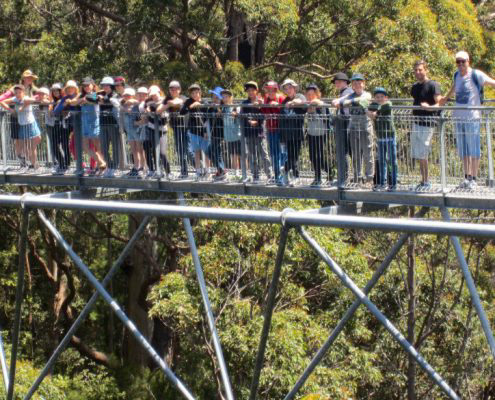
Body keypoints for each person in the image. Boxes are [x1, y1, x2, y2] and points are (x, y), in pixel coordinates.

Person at [439, 51, 495, 189]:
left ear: (468, 61)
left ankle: (474, 179)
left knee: (474, 149)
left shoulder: (476, 74)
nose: (460, 64)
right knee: (463, 149)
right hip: (459, 118)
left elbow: (492, 83)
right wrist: (445, 98)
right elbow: (454, 88)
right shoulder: (456, 75)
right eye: (458, 62)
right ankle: (467, 177)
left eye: (463, 61)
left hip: (472, 118)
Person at [410, 60, 441, 190]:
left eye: (420, 70)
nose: (418, 72)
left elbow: (440, 103)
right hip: (416, 122)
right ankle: (423, 180)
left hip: (428, 123)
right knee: (418, 154)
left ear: (426, 70)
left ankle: (426, 181)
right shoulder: (415, 87)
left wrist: (429, 108)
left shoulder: (433, 85)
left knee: (423, 153)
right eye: (416, 70)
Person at [339, 73, 373, 186]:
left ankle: (369, 178)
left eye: (359, 82)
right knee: (356, 154)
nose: (357, 85)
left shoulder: (367, 94)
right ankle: (357, 178)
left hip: (365, 127)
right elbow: (341, 103)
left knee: (368, 153)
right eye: (355, 83)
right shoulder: (350, 95)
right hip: (353, 128)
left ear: (363, 84)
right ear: (352, 85)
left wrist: (351, 102)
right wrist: (349, 101)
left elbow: (365, 100)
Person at [0, 70, 39, 167]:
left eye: (31, 77)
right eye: (27, 77)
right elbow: (3, 98)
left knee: (27, 140)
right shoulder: (16, 88)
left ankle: (31, 162)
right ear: (23, 78)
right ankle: (21, 159)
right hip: (15, 117)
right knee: (18, 139)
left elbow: (39, 96)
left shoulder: (32, 88)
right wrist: (10, 109)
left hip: (27, 117)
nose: (29, 79)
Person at [68, 77, 106, 175]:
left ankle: (100, 166)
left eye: (88, 85)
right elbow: (72, 102)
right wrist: (83, 99)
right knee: (85, 146)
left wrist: (89, 99)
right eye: (84, 85)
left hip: (94, 123)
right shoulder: (82, 95)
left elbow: (100, 100)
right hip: (84, 123)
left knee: (97, 146)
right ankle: (101, 162)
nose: (86, 87)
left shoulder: (97, 94)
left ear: (93, 85)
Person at [157, 81, 190, 178]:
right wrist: (168, 105)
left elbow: (179, 102)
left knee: (189, 150)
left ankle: (200, 169)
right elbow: (158, 110)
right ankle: (184, 172)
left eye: (175, 89)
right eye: (171, 89)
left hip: (187, 127)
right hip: (176, 128)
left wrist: (171, 103)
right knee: (180, 150)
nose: (173, 91)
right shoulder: (167, 99)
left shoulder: (183, 97)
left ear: (179, 90)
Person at [241, 81, 271, 184]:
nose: (250, 92)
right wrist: (249, 121)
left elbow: (264, 114)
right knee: (252, 155)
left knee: (264, 154)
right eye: (248, 90)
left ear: (256, 90)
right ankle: (255, 176)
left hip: (260, 132)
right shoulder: (245, 103)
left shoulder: (261, 102)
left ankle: (269, 175)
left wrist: (257, 121)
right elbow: (242, 115)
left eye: (252, 90)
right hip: (249, 132)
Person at [368, 87, 397, 191]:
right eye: (377, 97)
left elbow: (387, 106)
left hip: (390, 136)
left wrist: (376, 113)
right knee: (381, 161)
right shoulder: (373, 105)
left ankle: (393, 184)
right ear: (374, 98)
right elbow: (367, 108)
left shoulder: (388, 105)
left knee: (392, 161)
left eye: (381, 96)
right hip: (380, 137)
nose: (379, 98)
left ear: (386, 97)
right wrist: (371, 111)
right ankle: (382, 183)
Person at [279, 79, 306, 186]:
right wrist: (282, 138)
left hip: (297, 133)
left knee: (294, 155)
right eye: (286, 88)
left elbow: (302, 103)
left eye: (290, 87)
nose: (288, 90)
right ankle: (293, 176)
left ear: (294, 88)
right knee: (292, 156)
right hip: (287, 134)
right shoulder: (284, 102)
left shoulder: (299, 96)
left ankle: (286, 169)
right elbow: (281, 119)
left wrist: (293, 102)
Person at [180, 84, 210, 180]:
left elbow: (206, 118)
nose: (194, 94)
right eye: (192, 93)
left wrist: (206, 131)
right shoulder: (189, 102)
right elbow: (182, 112)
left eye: (196, 92)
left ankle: (207, 171)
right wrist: (191, 106)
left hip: (203, 131)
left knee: (206, 152)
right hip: (193, 131)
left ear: (200, 92)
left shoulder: (204, 102)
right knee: (196, 152)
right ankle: (198, 171)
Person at [306, 84, 331, 187]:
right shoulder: (307, 105)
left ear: (317, 94)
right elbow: (308, 120)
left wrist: (314, 113)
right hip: (311, 133)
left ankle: (318, 177)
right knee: (312, 156)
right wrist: (310, 112)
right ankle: (329, 171)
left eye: (312, 94)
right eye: (308, 94)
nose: (310, 96)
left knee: (319, 156)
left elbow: (326, 119)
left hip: (321, 133)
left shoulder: (322, 105)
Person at [331, 72, 353, 187]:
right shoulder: (342, 93)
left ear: (345, 82)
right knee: (345, 152)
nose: (337, 84)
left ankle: (346, 178)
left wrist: (339, 101)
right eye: (336, 82)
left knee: (346, 151)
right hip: (343, 124)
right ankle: (345, 178)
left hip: (347, 124)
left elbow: (350, 97)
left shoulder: (347, 92)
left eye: (339, 82)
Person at [143, 85, 170, 178]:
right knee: (155, 151)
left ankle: (168, 172)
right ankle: (158, 171)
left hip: (162, 130)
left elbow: (164, 116)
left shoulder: (164, 101)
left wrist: (155, 110)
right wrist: (148, 110)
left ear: (159, 92)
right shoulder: (148, 102)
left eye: (155, 94)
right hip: (151, 129)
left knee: (162, 153)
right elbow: (145, 111)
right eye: (152, 95)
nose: (154, 96)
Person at [261, 81, 285, 185]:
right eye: (268, 90)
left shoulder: (281, 98)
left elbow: (285, 111)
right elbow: (263, 112)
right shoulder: (266, 99)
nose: (270, 92)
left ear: (276, 90)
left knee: (281, 153)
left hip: (281, 129)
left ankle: (281, 175)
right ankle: (277, 175)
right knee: (273, 153)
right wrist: (261, 105)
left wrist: (278, 105)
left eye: (272, 90)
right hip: (270, 129)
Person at [46, 83, 71, 174]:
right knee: (54, 145)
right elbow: (50, 114)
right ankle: (61, 163)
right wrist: (52, 105)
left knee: (64, 144)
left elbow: (65, 112)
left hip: (64, 124)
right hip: (55, 124)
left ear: (61, 91)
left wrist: (59, 106)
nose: (56, 92)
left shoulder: (65, 99)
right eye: (54, 91)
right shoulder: (52, 101)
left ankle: (67, 164)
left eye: (57, 90)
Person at [98, 76, 121, 178]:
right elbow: (89, 98)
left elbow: (114, 103)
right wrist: (99, 98)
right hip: (102, 123)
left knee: (115, 146)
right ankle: (110, 166)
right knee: (103, 147)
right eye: (103, 85)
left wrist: (103, 100)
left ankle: (115, 167)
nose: (105, 87)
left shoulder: (115, 95)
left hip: (113, 123)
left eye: (107, 85)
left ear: (111, 86)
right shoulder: (100, 94)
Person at [121, 87, 146, 177]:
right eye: (125, 95)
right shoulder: (124, 104)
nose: (126, 97)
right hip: (129, 130)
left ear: (132, 96)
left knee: (140, 149)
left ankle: (142, 167)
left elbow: (139, 104)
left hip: (137, 129)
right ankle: (136, 166)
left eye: (128, 95)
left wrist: (131, 103)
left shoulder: (137, 103)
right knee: (134, 149)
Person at [205, 86, 226, 181]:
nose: (214, 98)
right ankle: (220, 170)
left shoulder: (223, 108)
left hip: (220, 133)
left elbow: (224, 117)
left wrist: (218, 110)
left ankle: (221, 170)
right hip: (213, 133)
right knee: (217, 152)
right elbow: (207, 119)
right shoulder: (210, 108)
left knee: (210, 151)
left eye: (217, 97)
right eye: (213, 96)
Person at [221, 88, 243, 178]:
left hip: (237, 135)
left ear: (230, 97)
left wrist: (236, 114)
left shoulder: (235, 107)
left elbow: (240, 117)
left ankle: (244, 172)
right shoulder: (222, 108)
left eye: (226, 96)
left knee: (241, 154)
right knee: (233, 154)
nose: (225, 98)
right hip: (228, 136)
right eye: (223, 97)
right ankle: (236, 171)